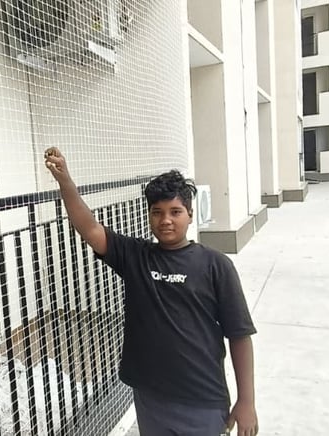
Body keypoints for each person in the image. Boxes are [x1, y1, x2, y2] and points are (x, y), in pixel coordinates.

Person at [44, 147, 258, 436]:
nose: (165, 220)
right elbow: (89, 228)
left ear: (190, 215)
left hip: (203, 402)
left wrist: (247, 401)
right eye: (157, 212)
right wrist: (66, 182)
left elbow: (239, 334)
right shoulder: (136, 256)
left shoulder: (215, 266)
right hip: (151, 399)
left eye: (175, 212)